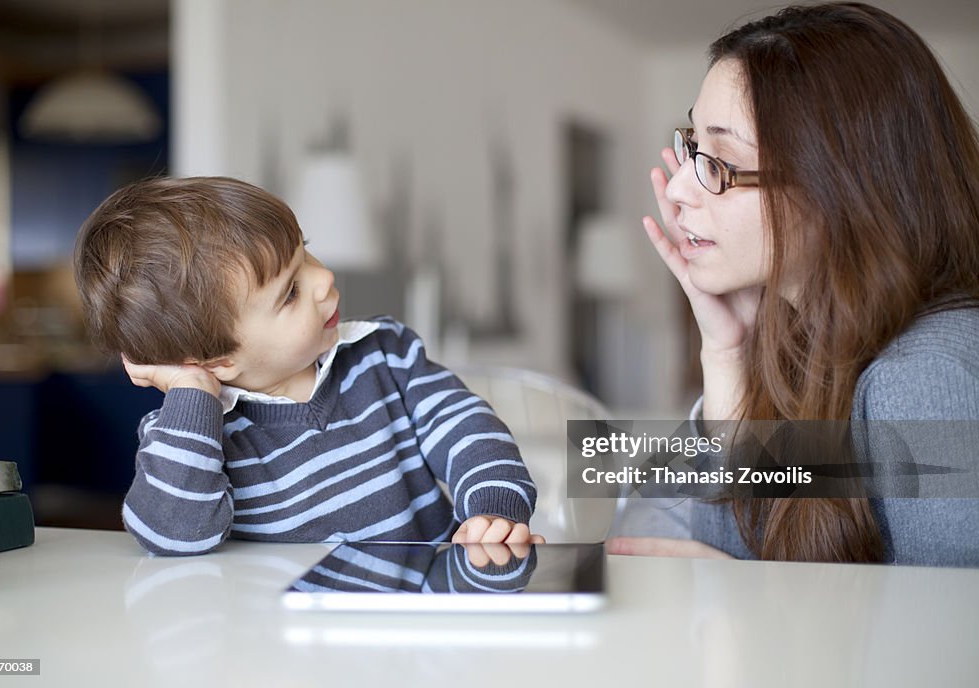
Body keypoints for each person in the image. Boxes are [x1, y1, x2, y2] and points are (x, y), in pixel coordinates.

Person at [609, 2, 979, 565]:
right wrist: (728, 353)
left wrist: (747, 594)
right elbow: (673, 527)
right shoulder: (811, 344)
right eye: (692, 147)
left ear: (839, 187)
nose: (679, 188)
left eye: (719, 162)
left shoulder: (925, 379)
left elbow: (943, 644)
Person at [74, 176, 541, 555]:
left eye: (306, 251)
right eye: (290, 292)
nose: (323, 278)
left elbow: (465, 426)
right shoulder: (192, 436)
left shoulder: (385, 354)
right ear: (220, 360)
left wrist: (492, 507)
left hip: (420, 619)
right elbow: (173, 534)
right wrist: (194, 392)